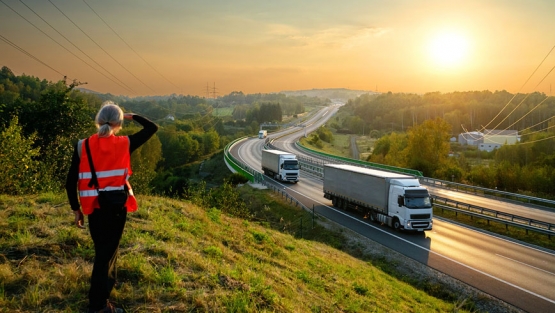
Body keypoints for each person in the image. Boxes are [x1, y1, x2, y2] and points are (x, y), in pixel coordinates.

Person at [65, 101, 158, 313]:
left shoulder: (82, 145)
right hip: (116, 207)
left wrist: (76, 209)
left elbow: (70, 182)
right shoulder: (125, 143)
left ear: (98, 121)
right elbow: (152, 128)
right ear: (118, 123)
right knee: (107, 254)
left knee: (103, 251)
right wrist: (132, 116)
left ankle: (102, 294)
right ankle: (98, 306)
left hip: (94, 208)